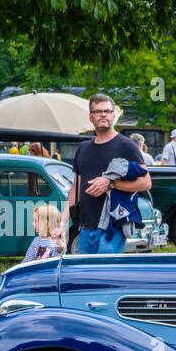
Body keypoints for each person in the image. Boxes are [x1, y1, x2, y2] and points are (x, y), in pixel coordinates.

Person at [55, 93, 152, 255]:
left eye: (107, 111)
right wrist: (62, 225)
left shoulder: (126, 145)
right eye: (98, 111)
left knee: (104, 275)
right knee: (88, 276)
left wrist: (111, 183)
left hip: (112, 229)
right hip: (85, 228)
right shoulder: (83, 148)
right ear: (91, 117)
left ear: (114, 116)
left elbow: (146, 183)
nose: (103, 115)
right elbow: (75, 190)